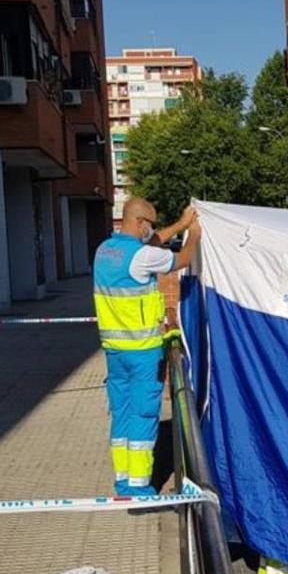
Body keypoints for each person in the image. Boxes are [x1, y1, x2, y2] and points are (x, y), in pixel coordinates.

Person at [93, 197, 200, 496]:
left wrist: (180, 223)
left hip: (115, 351)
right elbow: (182, 260)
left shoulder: (105, 251)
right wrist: (194, 234)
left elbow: (152, 243)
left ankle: (122, 479)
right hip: (143, 353)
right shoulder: (141, 256)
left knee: (123, 414)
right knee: (143, 416)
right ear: (139, 222)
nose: (151, 230)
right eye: (149, 225)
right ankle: (139, 488)